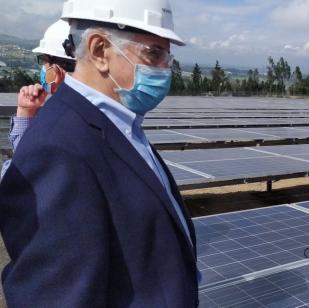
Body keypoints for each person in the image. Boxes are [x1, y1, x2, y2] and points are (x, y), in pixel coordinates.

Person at [0, 0, 199, 306]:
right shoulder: (57, 148)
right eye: (153, 53)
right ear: (99, 50)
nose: (164, 69)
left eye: (167, 57)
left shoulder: (118, 124)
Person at [1, 20, 75, 179]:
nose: (42, 68)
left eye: (44, 61)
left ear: (57, 69)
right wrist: (25, 113)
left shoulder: (64, 120)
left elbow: (23, 168)